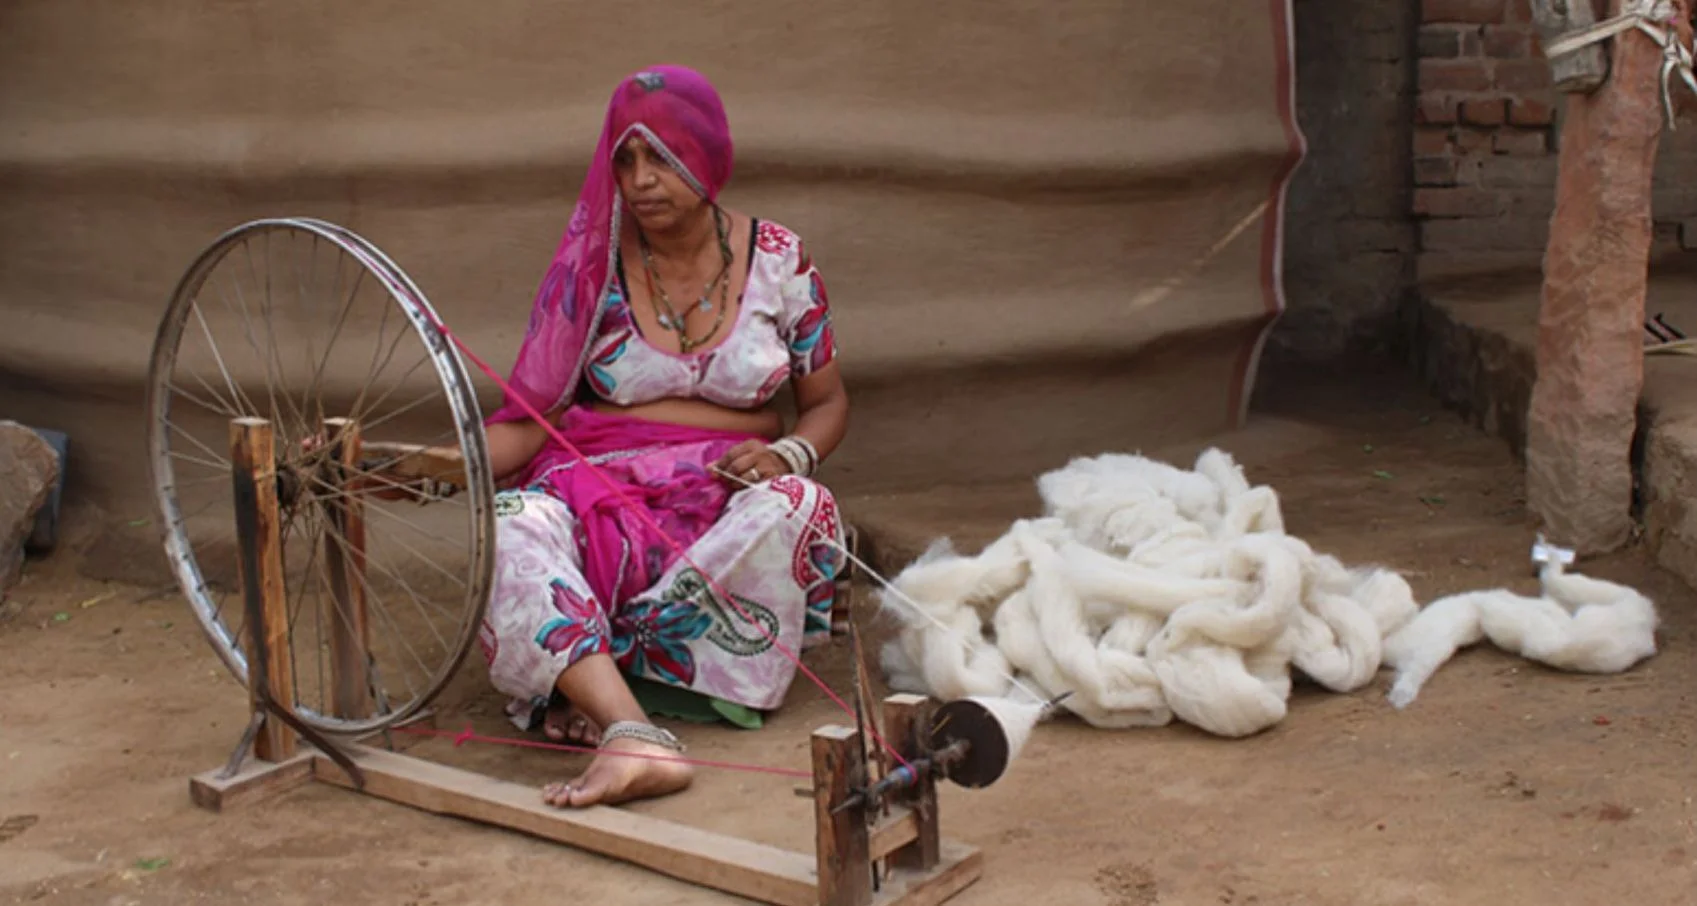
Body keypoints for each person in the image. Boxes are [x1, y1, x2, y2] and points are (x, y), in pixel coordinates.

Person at [474, 65, 849, 809]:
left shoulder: (780, 259)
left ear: (706, 155)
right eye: (624, 158)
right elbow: (529, 424)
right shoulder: (592, 269)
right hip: (598, 504)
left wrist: (784, 452)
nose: (641, 180)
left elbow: (827, 402)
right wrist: (429, 466)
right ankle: (630, 730)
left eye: (662, 156)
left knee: (800, 503)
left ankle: (600, 678)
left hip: (724, 519)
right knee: (508, 524)